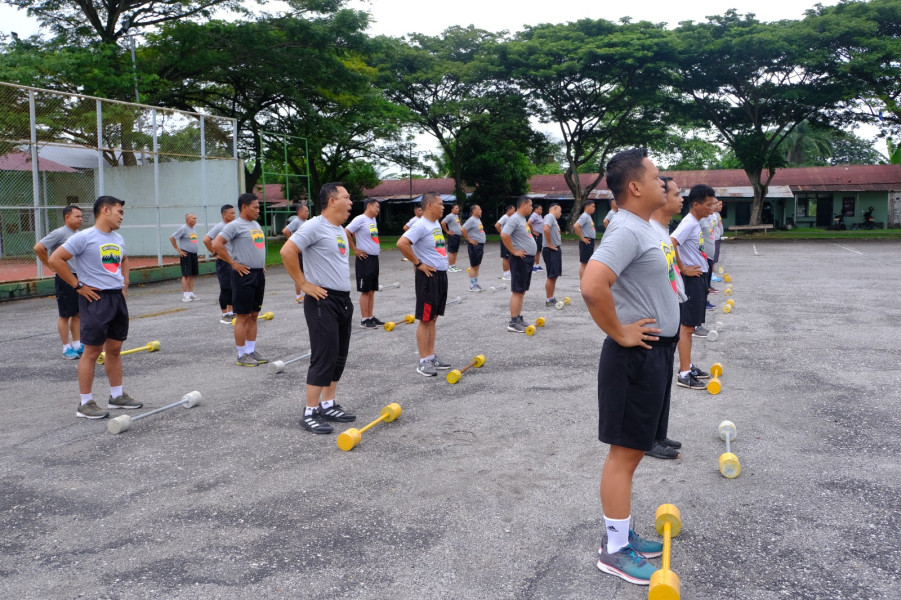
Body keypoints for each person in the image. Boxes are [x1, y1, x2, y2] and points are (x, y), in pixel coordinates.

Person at [581, 148, 676, 585]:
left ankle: (622, 533)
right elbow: (592, 285)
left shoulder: (644, 226)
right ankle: (614, 550)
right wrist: (620, 332)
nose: (664, 182)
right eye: (657, 177)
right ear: (635, 186)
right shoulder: (626, 230)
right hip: (633, 356)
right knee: (623, 454)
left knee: (636, 449)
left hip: (654, 353)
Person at [49, 196, 143, 419]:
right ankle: (85, 403)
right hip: (95, 299)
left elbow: (124, 259)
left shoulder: (118, 238)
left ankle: (117, 396)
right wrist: (77, 285)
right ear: (106, 210)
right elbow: (56, 258)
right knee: (92, 352)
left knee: (114, 349)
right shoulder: (84, 237)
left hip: (116, 298)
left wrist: (124, 283)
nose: (122, 216)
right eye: (119, 212)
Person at [280, 183, 357, 434]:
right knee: (323, 355)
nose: (350, 202)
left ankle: (327, 403)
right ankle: (310, 411)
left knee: (338, 355)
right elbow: (287, 250)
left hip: (342, 300)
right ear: (332, 201)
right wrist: (303, 284)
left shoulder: (339, 229)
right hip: (322, 300)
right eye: (346, 197)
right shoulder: (314, 225)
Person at [646, 177, 688, 460]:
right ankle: (647, 440)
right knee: (650, 386)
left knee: (662, 386)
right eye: (676, 194)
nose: (680, 198)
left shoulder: (662, 230)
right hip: (653, 325)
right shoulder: (647, 231)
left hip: (669, 321)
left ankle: (659, 434)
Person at [397, 192, 450, 377]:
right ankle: (423, 361)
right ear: (429, 206)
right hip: (428, 278)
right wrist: (418, 264)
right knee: (425, 319)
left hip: (440, 276)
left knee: (433, 318)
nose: (443, 207)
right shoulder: (420, 225)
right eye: (441, 204)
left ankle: (431, 356)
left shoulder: (434, 224)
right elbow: (402, 243)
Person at [213, 193, 268, 367]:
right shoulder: (234, 225)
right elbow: (216, 244)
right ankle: (241, 354)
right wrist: (233, 263)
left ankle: (251, 351)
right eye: (255, 207)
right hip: (244, 275)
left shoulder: (255, 224)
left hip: (258, 274)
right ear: (244, 207)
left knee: (254, 315)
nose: (258, 210)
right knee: (243, 316)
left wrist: (261, 264)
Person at [671, 184, 717, 388]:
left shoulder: (697, 221)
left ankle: (688, 364)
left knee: (690, 326)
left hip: (699, 277)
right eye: (708, 205)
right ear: (696, 204)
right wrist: (683, 269)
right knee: (687, 327)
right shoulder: (689, 222)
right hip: (691, 279)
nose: (711, 208)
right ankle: (684, 373)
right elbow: (671, 243)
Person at [34, 204, 84, 359]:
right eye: (77, 216)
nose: (80, 219)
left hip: (78, 277)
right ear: (67, 217)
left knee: (77, 313)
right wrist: (50, 265)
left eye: (81, 217)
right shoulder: (60, 233)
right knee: (65, 314)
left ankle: (77, 344)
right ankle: (66, 348)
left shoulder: (78, 234)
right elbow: (39, 247)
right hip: (64, 278)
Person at [345, 198, 384, 328]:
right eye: (376, 207)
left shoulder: (372, 220)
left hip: (374, 258)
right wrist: (355, 249)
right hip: (364, 260)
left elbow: (358, 233)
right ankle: (364, 319)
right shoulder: (360, 219)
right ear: (369, 206)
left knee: (372, 290)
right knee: (365, 290)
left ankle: (370, 316)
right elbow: (347, 231)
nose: (378, 210)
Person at [501, 196, 537, 333]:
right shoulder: (515, 218)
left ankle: (518, 318)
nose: (531, 207)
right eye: (530, 205)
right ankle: (513, 321)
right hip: (520, 259)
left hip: (527, 259)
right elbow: (504, 235)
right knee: (517, 290)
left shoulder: (521, 219)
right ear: (523, 205)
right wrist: (514, 251)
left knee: (522, 290)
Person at [203, 204, 236, 323]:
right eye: (231, 213)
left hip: (233, 261)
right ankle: (224, 314)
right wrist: (213, 252)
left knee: (233, 287)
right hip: (223, 262)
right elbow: (206, 239)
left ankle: (231, 312)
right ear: (224, 215)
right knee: (225, 288)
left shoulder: (233, 226)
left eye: (234, 213)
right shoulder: (220, 227)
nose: (234, 215)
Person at [281, 203, 310, 303]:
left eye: (308, 211)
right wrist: (292, 242)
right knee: (300, 272)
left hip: (306, 251)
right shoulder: (296, 221)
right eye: (306, 211)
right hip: (299, 252)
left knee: (307, 272)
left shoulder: (307, 222)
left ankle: (307, 293)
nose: (308, 213)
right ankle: (298, 296)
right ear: (299, 212)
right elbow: (285, 231)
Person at [169, 213, 200, 303]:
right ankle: (185, 295)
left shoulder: (193, 229)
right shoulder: (183, 228)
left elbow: (192, 241)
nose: (195, 219)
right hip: (186, 255)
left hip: (193, 254)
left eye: (195, 218)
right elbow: (172, 238)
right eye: (193, 218)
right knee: (186, 274)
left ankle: (190, 293)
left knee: (191, 275)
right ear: (188, 220)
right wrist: (179, 250)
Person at [542, 203, 563, 307]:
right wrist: (549, 244)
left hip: (555, 249)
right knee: (551, 275)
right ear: (555, 208)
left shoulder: (553, 219)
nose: (561, 213)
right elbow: (546, 229)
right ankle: (548, 299)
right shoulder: (549, 216)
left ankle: (551, 297)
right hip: (550, 249)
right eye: (560, 210)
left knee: (554, 275)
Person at [461, 204, 486, 292]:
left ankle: (476, 283)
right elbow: (463, 229)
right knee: (473, 266)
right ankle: (472, 285)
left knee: (477, 266)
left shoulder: (478, 219)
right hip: (475, 246)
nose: (481, 210)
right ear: (474, 211)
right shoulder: (471, 220)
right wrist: (469, 240)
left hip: (480, 246)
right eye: (479, 209)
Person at [575, 200, 597, 279]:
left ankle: (585, 283)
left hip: (590, 242)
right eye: (593, 206)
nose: (594, 208)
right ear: (587, 207)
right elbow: (576, 226)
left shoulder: (588, 216)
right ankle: (582, 284)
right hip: (586, 242)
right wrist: (582, 238)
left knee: (587, 263)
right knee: (584, 264)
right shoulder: (584, 216)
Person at [441, 204, 464, 272]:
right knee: (452, 251)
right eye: (456, 208)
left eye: (458, 208)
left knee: (455, 251)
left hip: (457, 236)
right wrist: (447, 231)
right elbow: (443, 223)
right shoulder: (450, 216)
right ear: (452, 209)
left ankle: (453, 265)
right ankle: (450, 266)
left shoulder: (456, 216)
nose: (458, 209)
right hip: (453, 236)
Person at [495, 204, 515, 280]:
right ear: (509, 210)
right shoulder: (505, 217)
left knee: (509, 256)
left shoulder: (510, 218)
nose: (514, 211)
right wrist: (502, 233)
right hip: (505, 239)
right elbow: (497, 225)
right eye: (513, 210)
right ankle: (506, 274)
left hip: (509, 239)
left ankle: (508, 273)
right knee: (505, 257)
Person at [529, 203, 545, 272]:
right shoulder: (534, 215)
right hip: (536, 236)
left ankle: (537, 265)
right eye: (540, 209)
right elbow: (529, 223)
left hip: (540, 235)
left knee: (538, 251)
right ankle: (532, 266)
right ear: (536, 209)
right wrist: (533, 231)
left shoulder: (539, 215)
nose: (541, 210)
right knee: (535, 251)